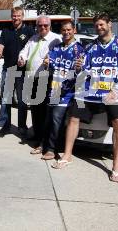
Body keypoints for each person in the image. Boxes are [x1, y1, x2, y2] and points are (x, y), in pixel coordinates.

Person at [52, 14, 118, 183]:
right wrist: (80, 68)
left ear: (109, 24)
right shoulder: (90, 47)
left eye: (102, 24)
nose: (99, 28)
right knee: (73, 118)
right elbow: (84, 70)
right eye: (96, 25)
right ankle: (67, 155)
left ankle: (116, 165)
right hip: (90, 93)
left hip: (113, 94)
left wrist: (116, 91)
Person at [40, 21, 84, 160]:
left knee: (56, 119)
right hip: (54, 89)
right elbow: (50, 63)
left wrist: (78, 69)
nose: (66, 32)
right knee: (48, 119)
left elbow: (80, 73)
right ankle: (44, 145)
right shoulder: (57, 48)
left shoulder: (79, 49)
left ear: (74, 30)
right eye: (64, 30)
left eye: (69, 30)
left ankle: (52, 149)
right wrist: (47, 63)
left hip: (66, 93)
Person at [18, 15, 61, 154]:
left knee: (43, 112)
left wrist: (51, 61)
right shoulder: (34, 38)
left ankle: (43, 141)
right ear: (36, 26)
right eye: (40, 25)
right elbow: (25, 50)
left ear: (50, 26)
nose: (42, 28)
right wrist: (22, 58)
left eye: (45, 25)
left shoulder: (55, 39)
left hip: (45, 79)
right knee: (35, 110)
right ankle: (37, 135)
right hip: (32, 78)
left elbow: (59, 56)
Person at [0, 6, 33, 136]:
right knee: (6, 99)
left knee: (22, 101)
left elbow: (33, 48)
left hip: (23, 71)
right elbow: (0, 45)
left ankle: (22, 127)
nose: (16, 18)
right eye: (14, 16)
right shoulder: (6, 30)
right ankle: (5, 125)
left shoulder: (29, 30)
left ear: (23, 16)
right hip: (8, 70)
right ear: (11, 16)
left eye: (18, 15)